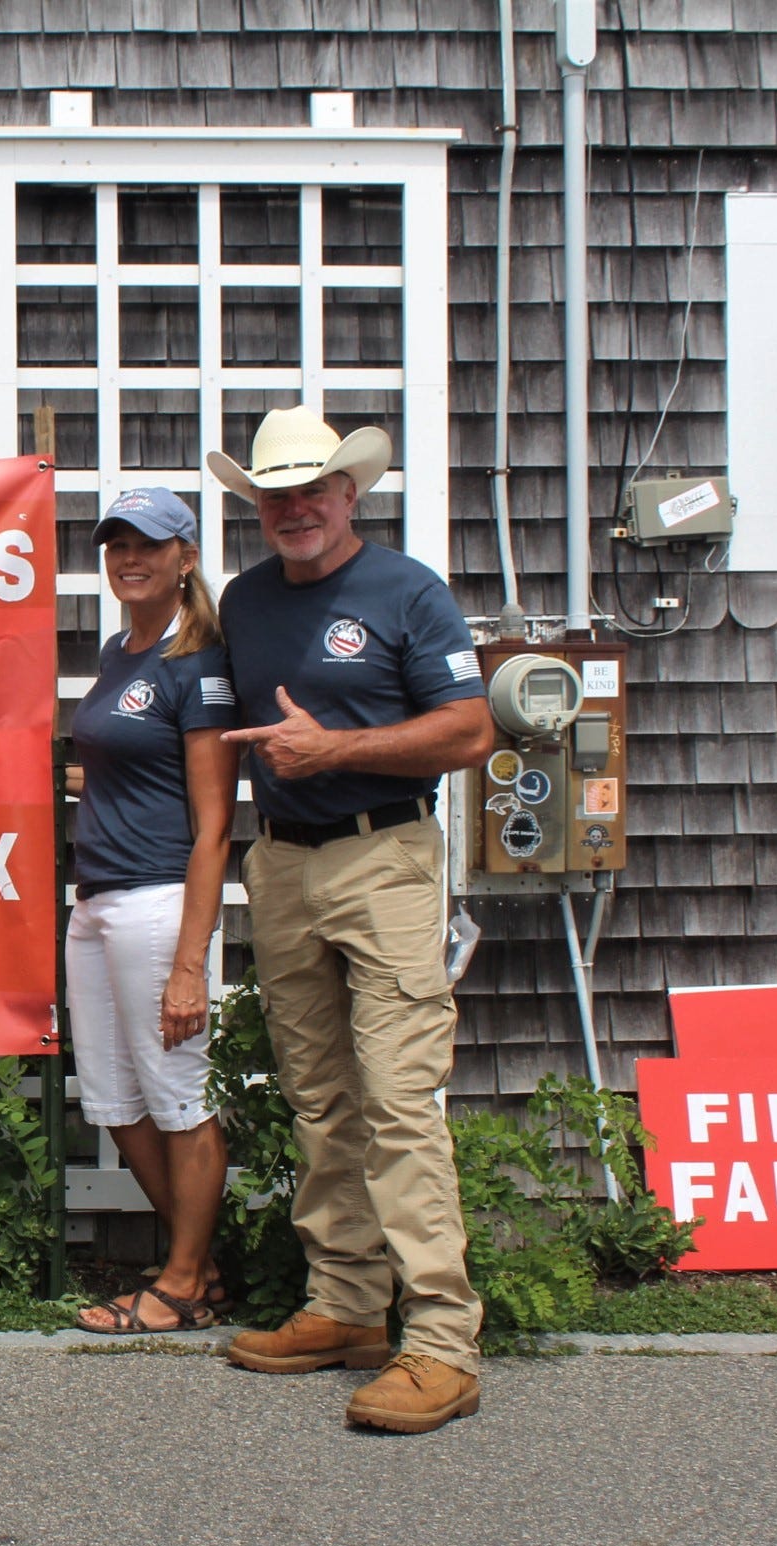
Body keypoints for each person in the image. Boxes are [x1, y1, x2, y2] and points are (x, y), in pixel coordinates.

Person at [206, 406, 496, 1435]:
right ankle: (346, 1306)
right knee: (320, 1097)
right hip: (282, 863)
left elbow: (471, 727)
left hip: (385, 858)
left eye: (310, 491)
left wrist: (336, 752)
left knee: (399, 1098)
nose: (293, 509)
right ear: (258, 507)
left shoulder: (407, 589)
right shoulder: (243, 601)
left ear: (349, 494)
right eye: (274, 495)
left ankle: (443, 1344)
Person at [64, 490, 240, 1336]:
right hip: (95, 901)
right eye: (117, 545)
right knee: (113, 1100)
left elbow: (213, 825)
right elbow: (122, 766)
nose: (129, 559)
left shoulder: (195, 663)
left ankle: (178, 1284)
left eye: (148, 545)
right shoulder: (117, 651)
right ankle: (198, 1266)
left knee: (177, 1095)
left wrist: (188, 963)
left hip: (159, 902)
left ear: (185, 558)